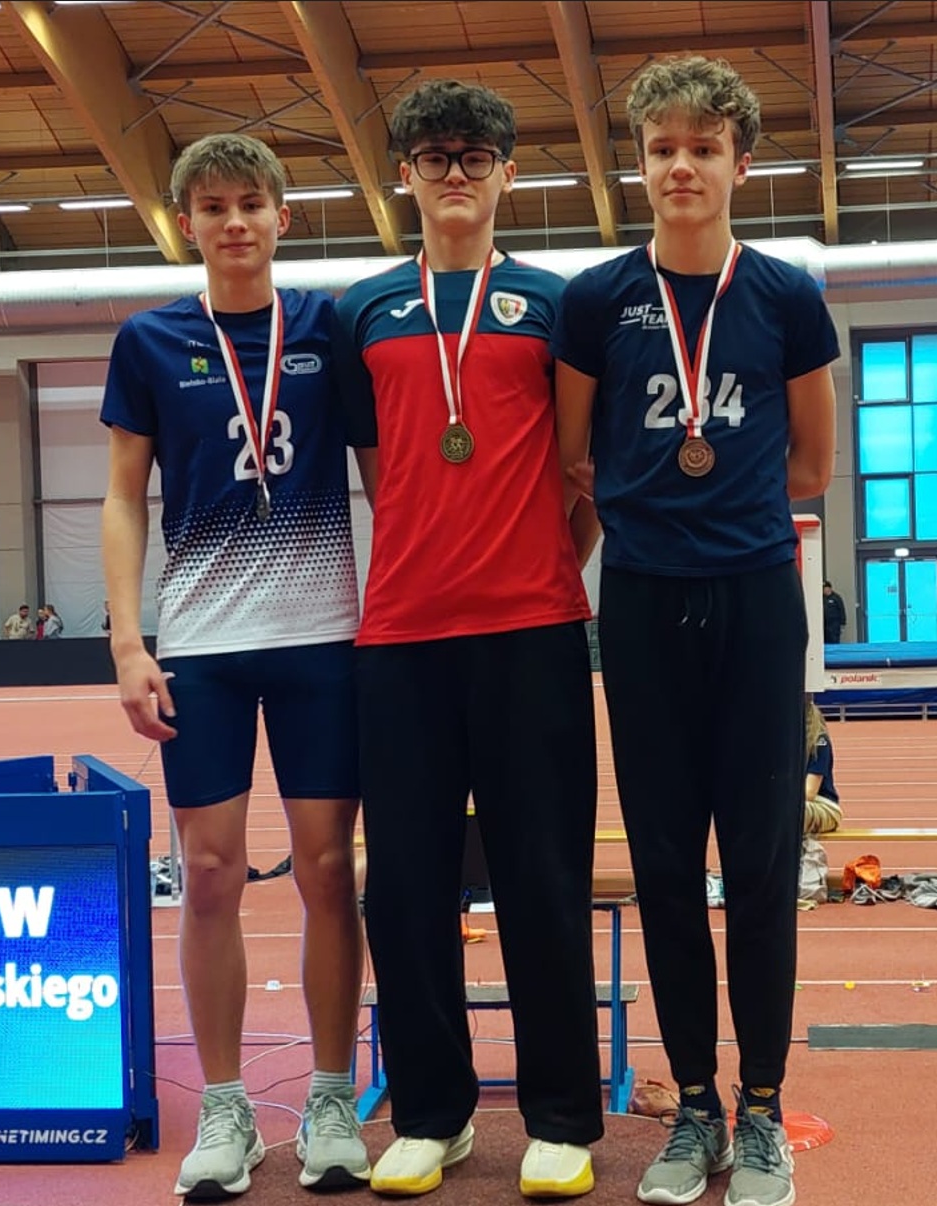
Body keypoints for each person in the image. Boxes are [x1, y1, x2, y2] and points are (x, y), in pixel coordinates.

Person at [554, 56, 838, 1206]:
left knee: (761, 864)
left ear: (739, 164)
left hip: (760, 601)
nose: (681, 165)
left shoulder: (785, 295)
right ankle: (696, 1112)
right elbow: (574, 458)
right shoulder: (594, 302)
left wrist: (728, 511)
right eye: (662, 147)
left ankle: (763, 1108)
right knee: (667, 866)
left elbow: (813, 461)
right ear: (638, 162)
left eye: (703, 147)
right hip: (643, 603)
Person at [333, 79, 603, 1200]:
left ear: (507, 173)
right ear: (403, 172)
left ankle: (559, 1120)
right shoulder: (363, 311)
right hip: (399, 635)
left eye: (476, 154)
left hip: (533, 628)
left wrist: (541, 559)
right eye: (435, 154)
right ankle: (432, 1115)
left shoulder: (555, 306)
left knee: (542, 876)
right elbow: (374, 468)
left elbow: (579, 478)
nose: (455, 171)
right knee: (404, 884)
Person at [99, 132, 368, 1198]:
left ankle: (334, 1098)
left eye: (251, 202)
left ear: (284, 216)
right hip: (202, 645)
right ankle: (224, 1110)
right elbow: (124, 497)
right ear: (186, 225)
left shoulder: (327, 328)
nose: (235, 223)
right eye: (211, 207)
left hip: (323, 638)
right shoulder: (149, 339)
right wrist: (128, 640)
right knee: (208, 875)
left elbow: (385, 477)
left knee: (326, 872)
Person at [802, 697, 841, 837]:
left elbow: (809, 793)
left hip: (824, 806)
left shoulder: (819, 742)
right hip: (798, 805)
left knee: (781, 815)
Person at [821, 581, 845, 645]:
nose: (824, 590)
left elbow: (842, 610)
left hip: (834, 625)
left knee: (834, 641)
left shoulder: (836, 598)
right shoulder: (822, 598)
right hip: (825, 625)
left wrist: (842, 623)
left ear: (829, 588)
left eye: (825, 588)